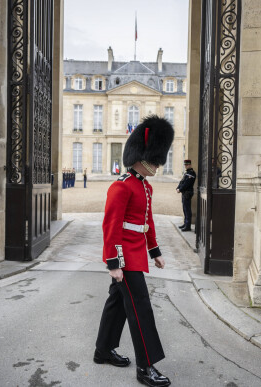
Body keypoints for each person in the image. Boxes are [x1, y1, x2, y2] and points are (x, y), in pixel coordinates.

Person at [94, 115, 174, 387]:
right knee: (140, 308)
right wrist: (113, 262)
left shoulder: (144, 186)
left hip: (137, 252)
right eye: (153, 159)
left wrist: (155, 251)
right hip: (125, 257)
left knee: (117, 303)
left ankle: (103, 350)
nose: (156, 164)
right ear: (139, 157)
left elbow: (146, 222)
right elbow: (112, 226)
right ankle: (145, 366)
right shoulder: (122, 186)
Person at [176, 160, 196, 231]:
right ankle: (185, 223)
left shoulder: (191, 173)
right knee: (185, 209)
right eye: (185, 165)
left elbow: (186, 184)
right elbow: (182, 181)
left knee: (187, 209)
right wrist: (178, 188)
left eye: (187, 165)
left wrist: (180, 189)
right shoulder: (187, 173)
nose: (186, 166)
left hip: (187, 193)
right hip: (184, 193)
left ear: (190, 165)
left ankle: (188, 226)